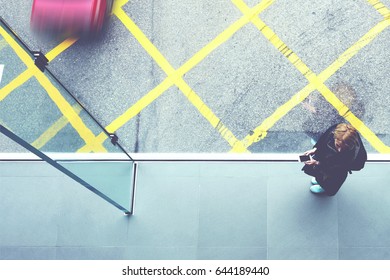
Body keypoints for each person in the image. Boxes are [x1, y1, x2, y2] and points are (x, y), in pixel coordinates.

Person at [301, 123, 364, 196]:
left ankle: (323, 187)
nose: (339, 150)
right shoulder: (333, 133)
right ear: (334, 136)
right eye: (338, 145)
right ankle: (320, 181)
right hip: (327, 161)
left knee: (329, 182)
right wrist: (315, 149)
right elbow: (323, 140)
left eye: (344, 148)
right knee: (321, 175)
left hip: (335, 171)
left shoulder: (352, 154)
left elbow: (338, 167)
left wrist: (317, 163)